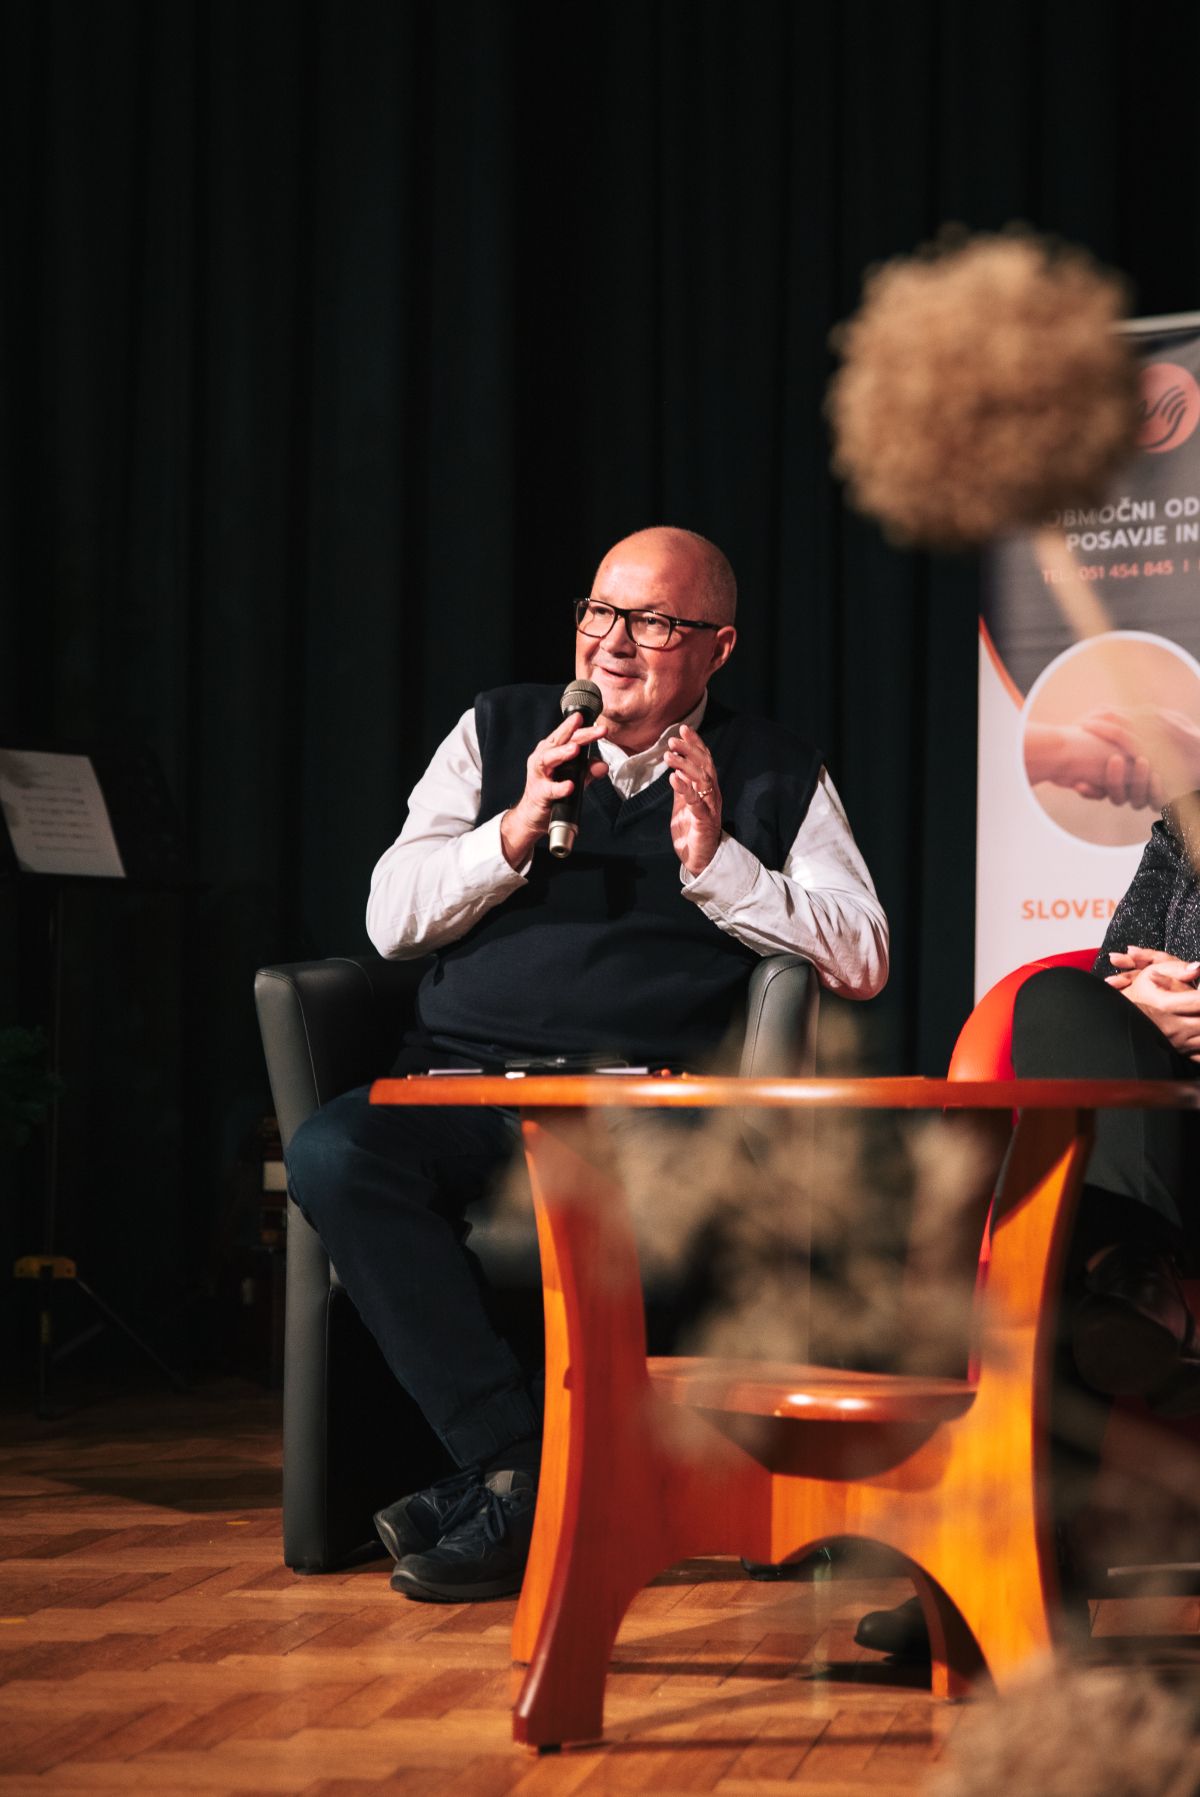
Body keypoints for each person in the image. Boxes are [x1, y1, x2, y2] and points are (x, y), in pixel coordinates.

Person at [287, 525, 888, 1603]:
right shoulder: (499, 728)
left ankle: (508, 1488)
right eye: (601, 612)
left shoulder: (774, 769)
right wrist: (513, 830)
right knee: (334, 1150)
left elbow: (863, 954)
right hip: (468, 1090)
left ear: (717, 646)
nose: (614, 643)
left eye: (654, 622)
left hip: (646, 1112)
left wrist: (721, 865)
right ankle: (524, 1465)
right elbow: (389, 919)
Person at [856, 795, 1200, 1663]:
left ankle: (1001, 1580)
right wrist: (1142, 996)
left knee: (1056, 1232)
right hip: (1161, 1137)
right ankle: (1135, 1279)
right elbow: (1112, 967)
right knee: (1056, 996)